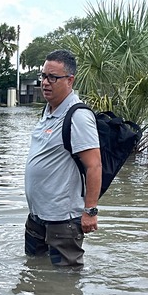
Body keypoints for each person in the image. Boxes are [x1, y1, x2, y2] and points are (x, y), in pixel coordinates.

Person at [24, 49, 101, 268]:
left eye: (53, 78)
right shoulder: (47, 111)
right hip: (37, 216)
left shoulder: (78, 116)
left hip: (63, 221)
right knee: (34, 270)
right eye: (43, 76)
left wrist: (90, 212)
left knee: (65, 283)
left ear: (70, 80)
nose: (45, 83)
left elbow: (94, 166)